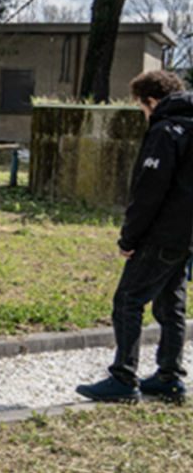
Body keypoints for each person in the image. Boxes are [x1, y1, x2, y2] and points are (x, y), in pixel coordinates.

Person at [77, 70, 193, 403]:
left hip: (159, 234)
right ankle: (169, 376)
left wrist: (129, 238)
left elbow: (148, 193)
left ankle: (123, 377)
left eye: (141, 107)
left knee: (127, 301)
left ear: (151, 101)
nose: (143, 114)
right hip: (185, 237)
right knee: (171, 305)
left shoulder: (164, 131)